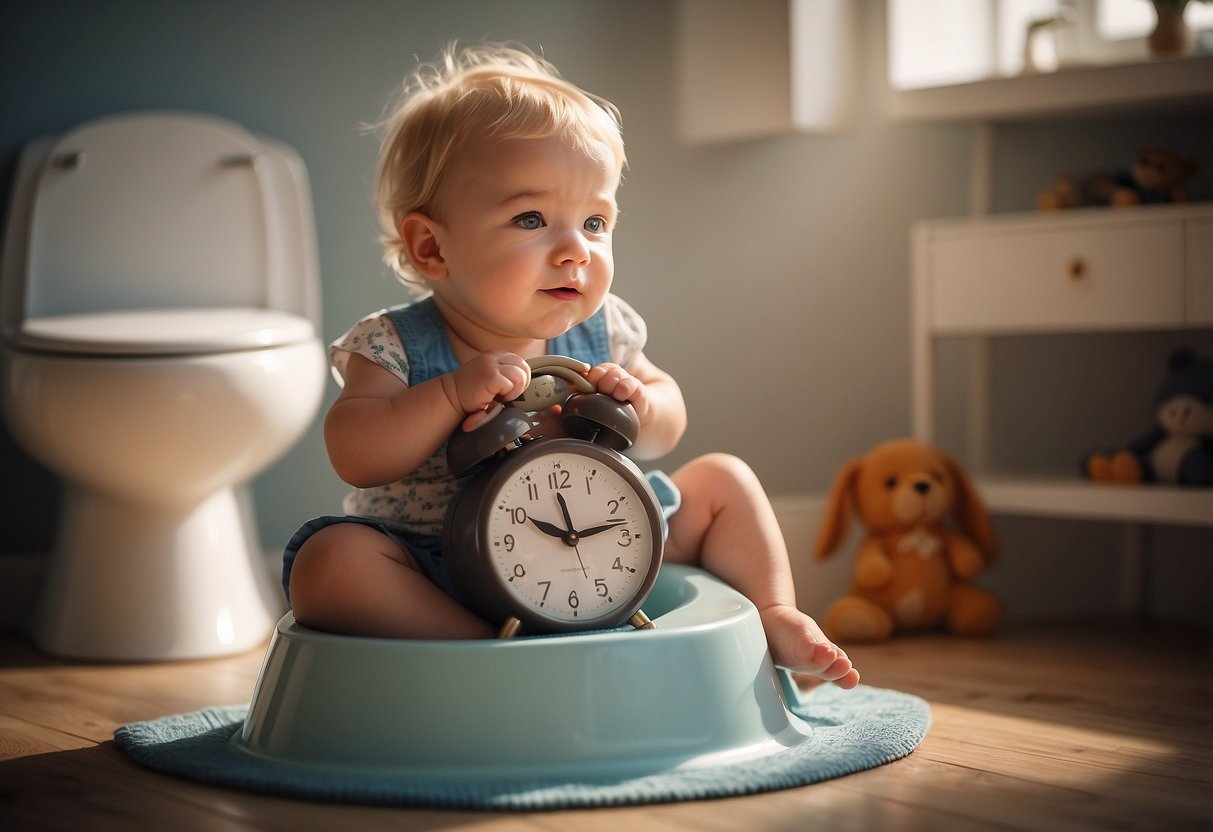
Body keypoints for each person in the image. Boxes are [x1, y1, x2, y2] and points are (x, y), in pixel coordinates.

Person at [283, 43, 859, 689]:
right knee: (329, 563)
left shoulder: (605, 326)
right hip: (439, 560)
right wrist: (446, 395)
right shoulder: (393, 342)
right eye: (530, 219)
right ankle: (477, 649)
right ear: (430, 246)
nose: (574, 251)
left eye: (594, 222)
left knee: (724, 480)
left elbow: (667, 424)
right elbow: (356, 453)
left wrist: (641, 401)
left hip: (602, 540)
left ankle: (775, 612)